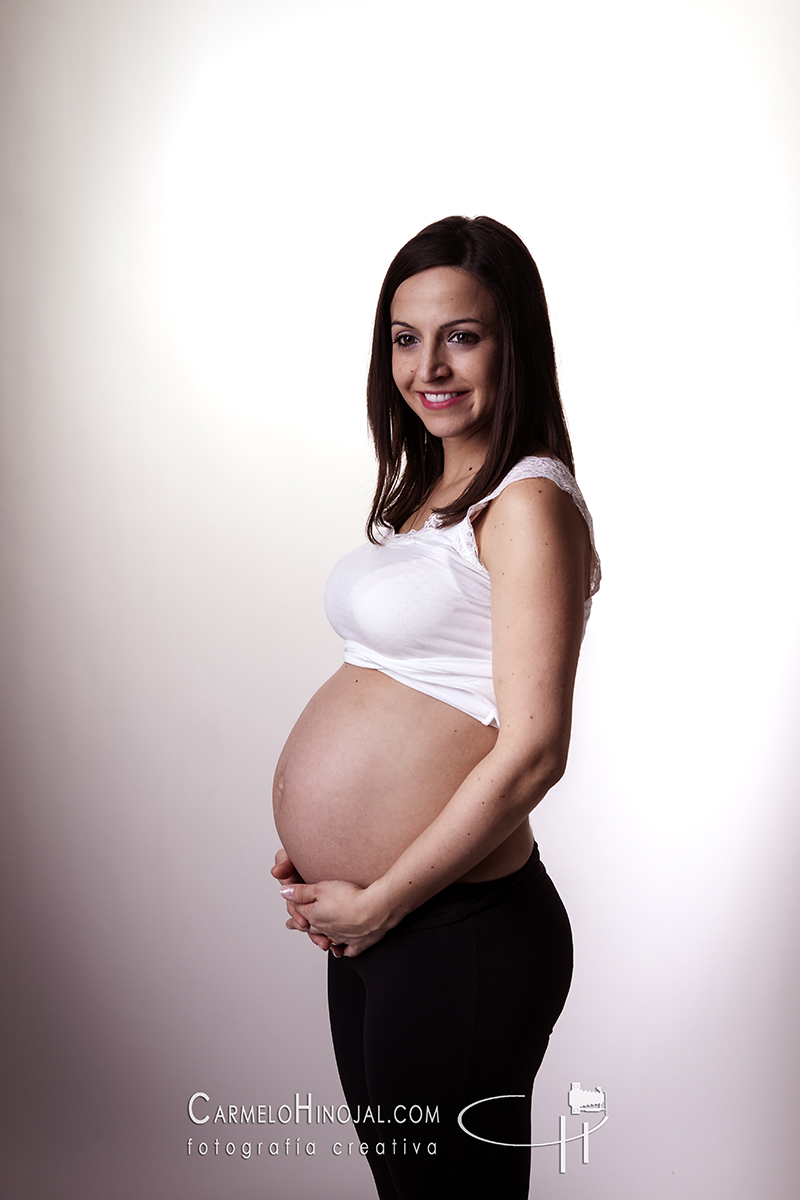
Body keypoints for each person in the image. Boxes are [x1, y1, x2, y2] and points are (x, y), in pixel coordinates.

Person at [270, 215, 600, 1199]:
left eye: (461, 334)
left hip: (457, 931)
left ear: (514, 344)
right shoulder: (433, 493)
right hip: (387, 924)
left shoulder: (526, 502)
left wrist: (379, 889)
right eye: (405, 338)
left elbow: (534, 750)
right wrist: (334, 850)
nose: (429, 365)